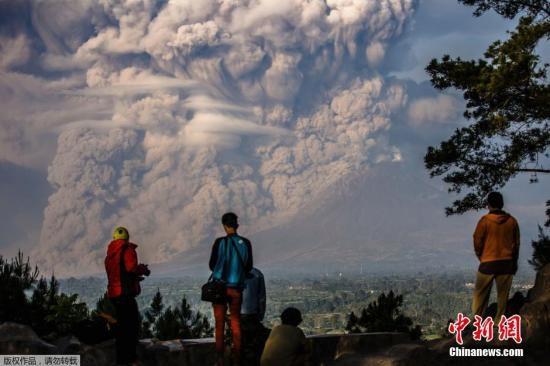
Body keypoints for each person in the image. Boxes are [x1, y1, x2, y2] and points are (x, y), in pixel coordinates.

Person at [209, 212, 253, 365]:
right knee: (235, 322)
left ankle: (219, 358)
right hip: (236, 289)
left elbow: (211, 265)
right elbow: (249, 267)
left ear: (224, 226)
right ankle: (237, 357)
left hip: (219, 288)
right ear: (237, 225)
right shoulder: (245, 243)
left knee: (219, 323)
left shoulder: (219, 242)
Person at [105, 226, 150, 366]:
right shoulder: (127, 249)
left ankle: (121, 360)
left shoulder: (110, 255)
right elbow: (131, 268)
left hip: (114, 294)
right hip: (124, 294)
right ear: (127, 238)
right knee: (132, 327)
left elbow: (119, 274)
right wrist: (142, 270)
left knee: (122, 329)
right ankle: (131, 360)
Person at [472, 192, 520, 322]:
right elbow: (516, 244)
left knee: (480, 296)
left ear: (488, 205)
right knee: (503, 296)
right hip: (506, 263)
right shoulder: (512, 221)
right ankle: (499, 322)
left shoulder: (484, 221)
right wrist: (514, 262)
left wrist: (481, 256)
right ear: (502, 204)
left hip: (487, 263)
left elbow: (477, 241)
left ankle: (477, 322)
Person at [241, 267, 269, 366]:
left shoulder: (229, 271)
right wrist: (260, 316)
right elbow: (262, 299)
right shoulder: (257, 274)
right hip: (252, 316)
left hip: (233, 316)